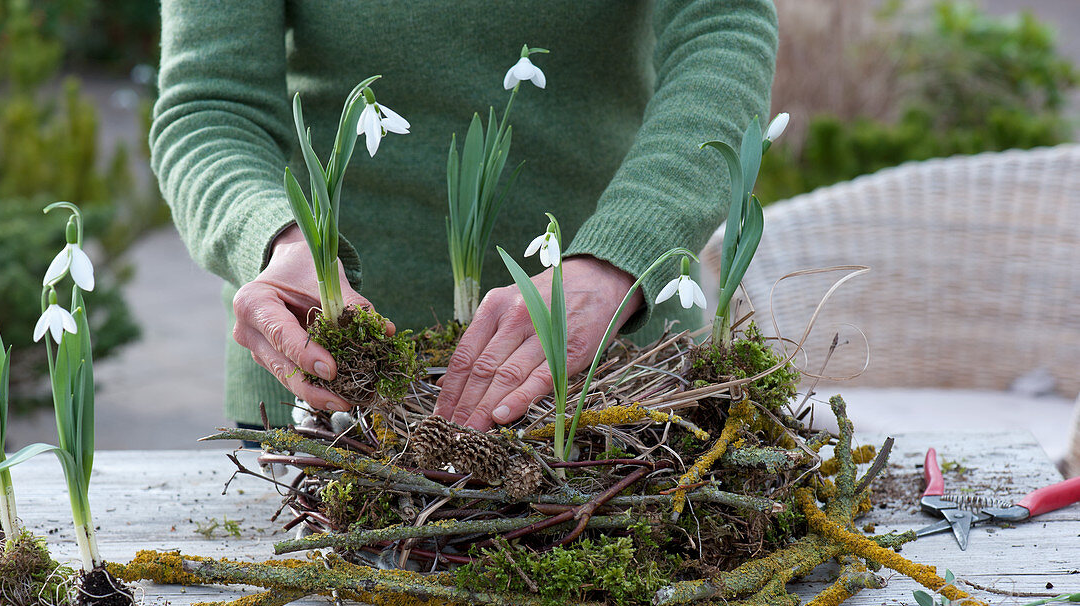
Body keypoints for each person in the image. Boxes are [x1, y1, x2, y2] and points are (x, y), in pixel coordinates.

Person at [150, 1, 779, 431]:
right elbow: (209, 110)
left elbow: (722, 29)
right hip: (326, 399)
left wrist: (623, 251)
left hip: (614, 376)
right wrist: (280, 242)